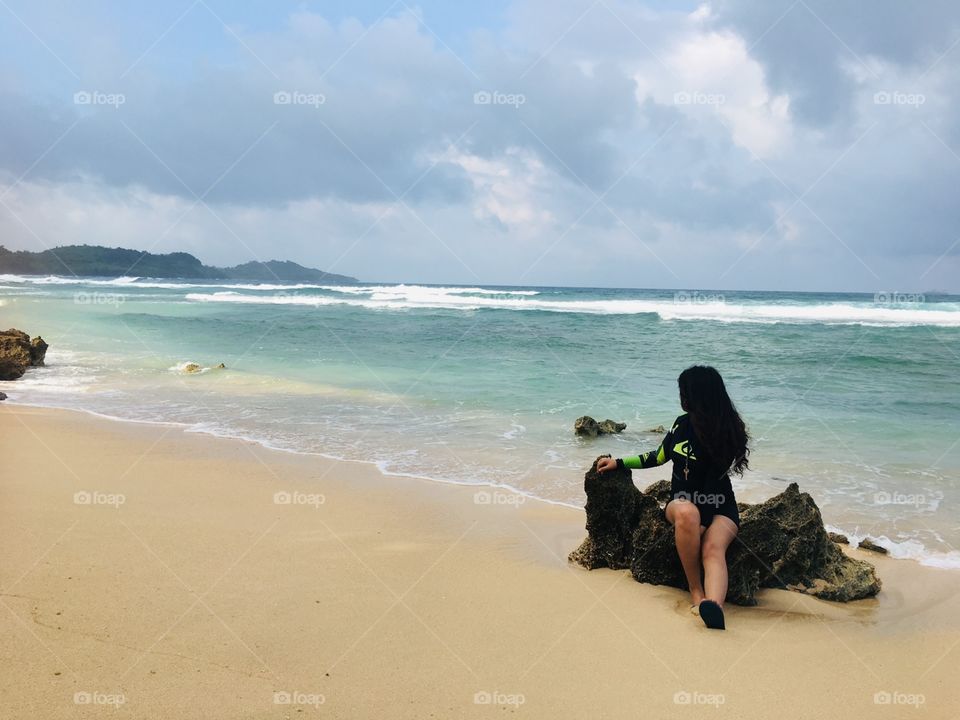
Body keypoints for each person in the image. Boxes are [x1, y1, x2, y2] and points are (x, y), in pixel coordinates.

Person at [597, 365, 749, 630]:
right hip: (680, 502)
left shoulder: (727, 431)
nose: (681, 396)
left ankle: (713, 607)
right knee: (688, 513)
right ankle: (696, 593)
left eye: (684, 391)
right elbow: (658, 456)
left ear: (696, 395)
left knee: (714, 549)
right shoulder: (681, 424)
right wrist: (619, 462)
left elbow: (715, 484)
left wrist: (706, 521)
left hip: (721, 506)